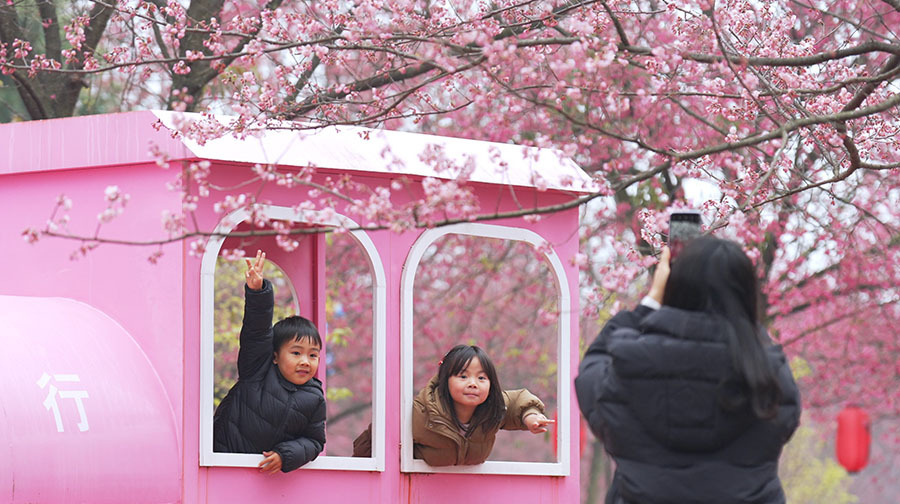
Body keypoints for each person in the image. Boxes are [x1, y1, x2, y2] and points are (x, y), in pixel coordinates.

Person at [575, 237, 801, 504]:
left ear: (674, 290)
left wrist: (649, 304)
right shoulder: (768, 378)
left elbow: (592, 369)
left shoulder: (631, 367)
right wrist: (744, 324)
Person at [213, 250, 327, 473]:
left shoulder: (314, 398)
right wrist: (258, 293)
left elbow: (314, 442)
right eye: (296, 353)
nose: (305, 361)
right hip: (222, 461)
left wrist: (286, 456)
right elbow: (256, 333)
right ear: (275, 356)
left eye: (312, 355)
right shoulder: (258, 371)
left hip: (262, 476)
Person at [411, 344, 554, 466]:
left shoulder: (493, 408)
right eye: (463, 376)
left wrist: (531, 417)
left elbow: (518, 400)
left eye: (481, 378)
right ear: (444, 379)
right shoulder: (423, 412)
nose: (473, 384)